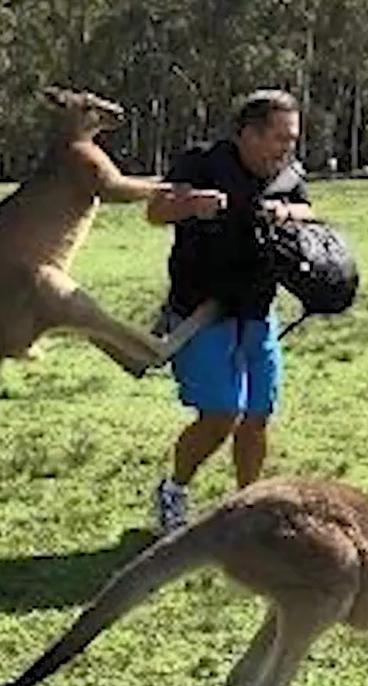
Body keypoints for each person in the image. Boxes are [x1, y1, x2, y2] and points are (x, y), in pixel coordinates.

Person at [146, 89, 313, 533]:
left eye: (292, 139)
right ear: (248, 134)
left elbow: (308, 209)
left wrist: (286, 211)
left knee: (257, 416)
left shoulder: (285, 175)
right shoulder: (202, 162)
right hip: (203, 310)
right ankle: (173, 489)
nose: (287, 148)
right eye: (280, 138)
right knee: (222, 414)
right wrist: (191, 204)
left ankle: (247, 509)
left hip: (258, 310)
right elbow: (155, 211)